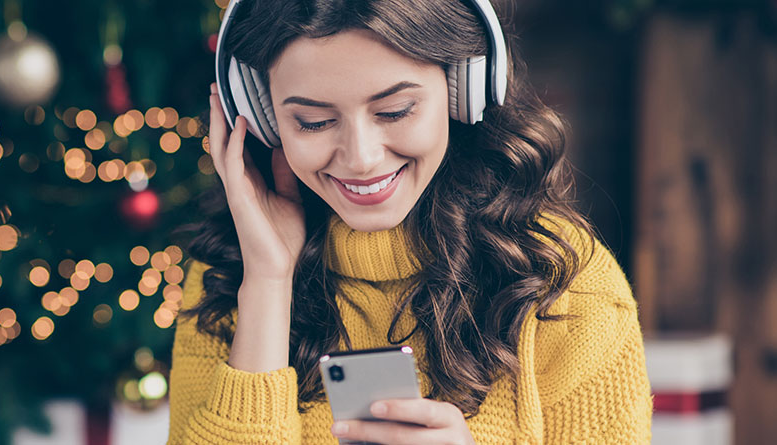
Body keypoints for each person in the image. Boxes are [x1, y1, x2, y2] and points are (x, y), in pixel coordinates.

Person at [166, 0, 653, 444]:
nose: (360, 158)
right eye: (313, 122)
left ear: (461, 88)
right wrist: (269, 285)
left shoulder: (565, 281)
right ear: (263, 117)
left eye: (396, 110)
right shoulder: (231, 276)